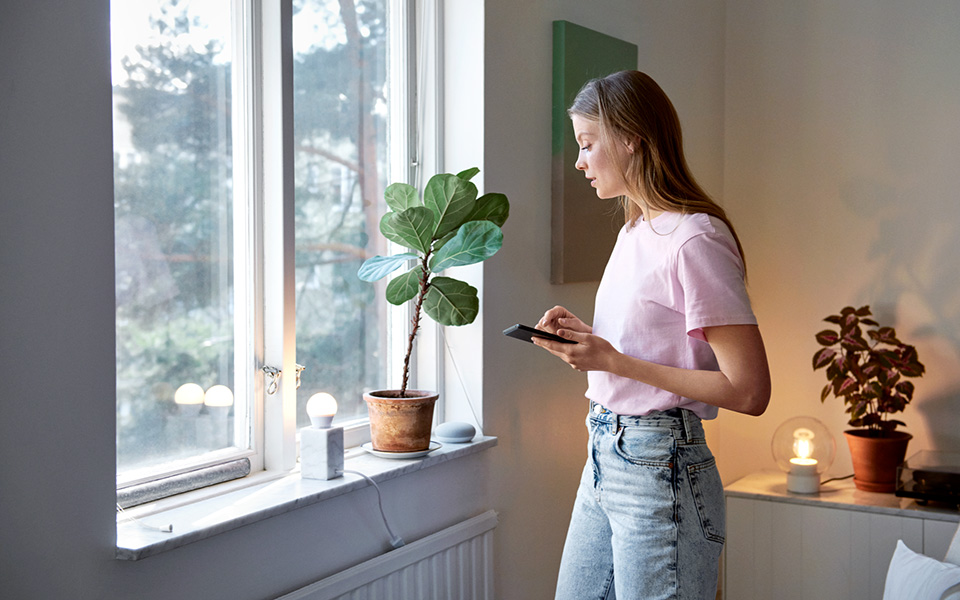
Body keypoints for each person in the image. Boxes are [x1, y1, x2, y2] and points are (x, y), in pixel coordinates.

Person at [535, 70, 771, 600]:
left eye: (587, 144)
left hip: (659, 466)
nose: (579, 161)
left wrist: (614, 362)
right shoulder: (635, 230)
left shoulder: (695, 239)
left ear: (630, 138)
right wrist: (591, 344)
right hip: (604, 451)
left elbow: (751, 391)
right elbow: (649, 348)